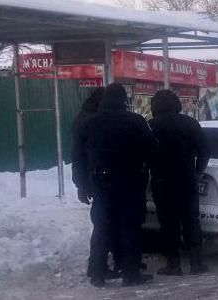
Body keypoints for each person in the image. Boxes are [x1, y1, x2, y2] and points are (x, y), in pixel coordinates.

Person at [72, 83, 157, 287]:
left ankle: (98, 273)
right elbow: (152, 150)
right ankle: (130, 273)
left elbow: (78, 157)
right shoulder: (136, 121)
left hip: (101, 183)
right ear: (124, 99)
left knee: (101, 227)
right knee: (130, 228)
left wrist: (82, 185)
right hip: (131, 182)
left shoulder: (89, 123)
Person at [149, 89, 210, 276]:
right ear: (177, 104)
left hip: (162, 181)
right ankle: (196, 262)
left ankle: (173, 264)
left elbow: (144, 153)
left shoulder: (151, 126)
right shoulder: (191, 124)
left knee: (168, 223)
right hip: (187, 179)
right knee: (191, 220)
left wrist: (152, 169)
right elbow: (205, 151)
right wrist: (197, 170)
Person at [72, 88, 122, 280]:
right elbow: (78, 156)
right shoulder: (88, 121)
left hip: (96, 178)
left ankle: (108, 264)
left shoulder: (86, 117)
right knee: (104, 224)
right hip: (98, 179)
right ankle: (98, 267)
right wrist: (82, 185)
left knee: (106, 223)